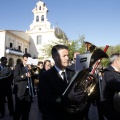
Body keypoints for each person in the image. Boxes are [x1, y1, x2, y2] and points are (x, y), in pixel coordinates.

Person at [39, 44, 86, 120]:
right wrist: (68, 97)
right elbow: (46, 101)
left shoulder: (73, 72)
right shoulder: (45, 77)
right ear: (55, 57)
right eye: (64, 56)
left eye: (67, 55)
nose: (67, 58)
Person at [13, 53, 35, 120]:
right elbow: (16, 78)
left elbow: (35, 77)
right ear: (23, 59)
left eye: (28, 60)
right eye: (25, 60)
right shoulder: (18, 66)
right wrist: (25, 75)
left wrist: (31, 70)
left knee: (26, 111)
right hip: (20, 91)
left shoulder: (31, 67)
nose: (26, 62)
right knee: (18, 111)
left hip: (28, 92)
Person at [101, 53, 120, 120]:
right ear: (116, 61)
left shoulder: (116, 71)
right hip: (111, 108)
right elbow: (115, 85)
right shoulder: (108, 72)